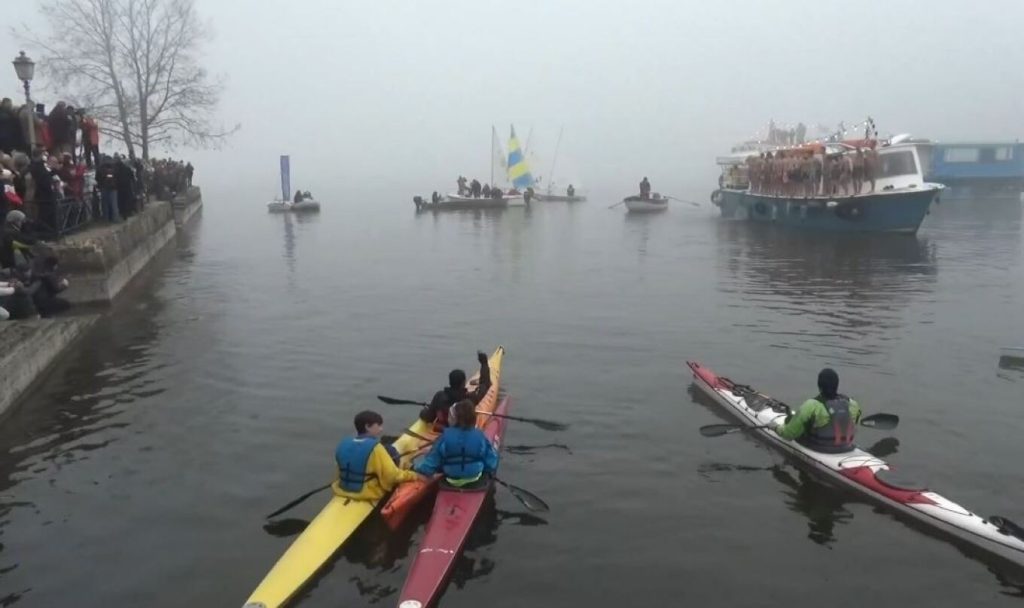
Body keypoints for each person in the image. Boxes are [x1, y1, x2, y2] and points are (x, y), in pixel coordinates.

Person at [333, 410, 420, 501]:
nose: (381, 429)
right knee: (391, 452)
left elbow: (338, 472)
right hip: (366, 493)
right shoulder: (375, 448)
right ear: (367, 426)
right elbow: (392, 475)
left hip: (341, 490)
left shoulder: (343, 443)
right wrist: (413, 475)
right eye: (378, 425)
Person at [771, 368, 862, 453]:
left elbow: (788, 435)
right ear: (837, 385)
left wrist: (775, 427)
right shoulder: (853, 404)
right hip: (846, 447)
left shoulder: (811, 406)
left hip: (819, 448)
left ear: (819, 386)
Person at [414, 399, 499, 488]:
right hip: (475, 478)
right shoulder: (480, 436)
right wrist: (487, 471)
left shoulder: (444, 437)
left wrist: (417, 469)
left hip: (451, 479)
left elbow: (429, 465)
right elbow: (491, 463)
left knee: (421, 459)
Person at [419, 351, 491, 427]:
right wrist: (484, 364)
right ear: (463, 383)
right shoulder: (469, 399)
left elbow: (428, 417)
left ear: (450, 382)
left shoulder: (439, 396)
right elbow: (485, 385)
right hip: (459, 430)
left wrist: (423, 412)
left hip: (445, 427)